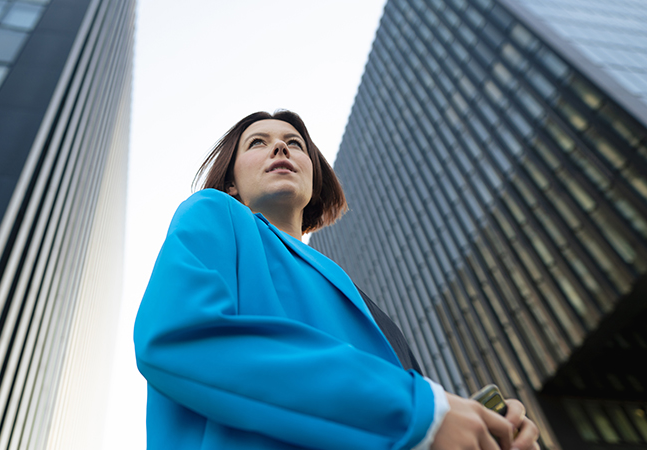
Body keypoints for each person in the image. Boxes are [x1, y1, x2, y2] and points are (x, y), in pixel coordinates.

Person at [134, 110, 540, 450]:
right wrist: (422, 412)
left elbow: (420, 421)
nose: (281, 147)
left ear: (314, 178)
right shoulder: (213, 212)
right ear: (231, 183)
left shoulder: (357, 297)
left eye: (295, 143)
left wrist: (486, 428)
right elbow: (179, 335)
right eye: (258, 142)